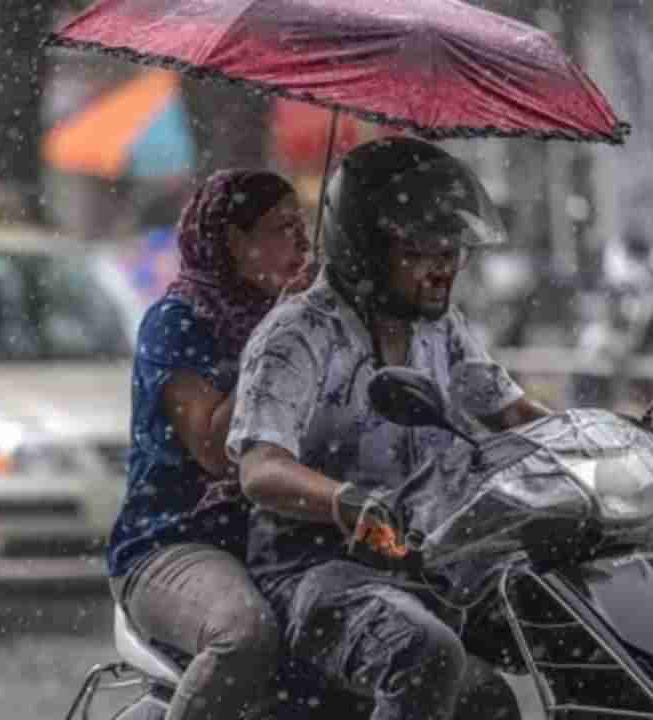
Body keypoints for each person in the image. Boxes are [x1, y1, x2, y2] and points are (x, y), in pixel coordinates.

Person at [228, 137, 553, 720]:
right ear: (366, 250)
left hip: (425, 562)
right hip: (313, 572)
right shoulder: (298, 334)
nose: (445, 266)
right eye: (423, 250)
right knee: (424, 655)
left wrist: (610, 450)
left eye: (453, 248)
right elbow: (260, 467)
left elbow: (511, 411)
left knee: (506, 681)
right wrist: (346, 500)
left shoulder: (438, 327)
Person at [107, 169, 312, 720]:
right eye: (281, 229)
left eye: (303, 226)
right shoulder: (176, 324)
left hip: (284, 538)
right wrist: (277, 332)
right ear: (233, 244)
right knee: (244, 634)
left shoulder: (311, 324)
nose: (302, 243)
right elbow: (215, 447)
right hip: (177, 541)